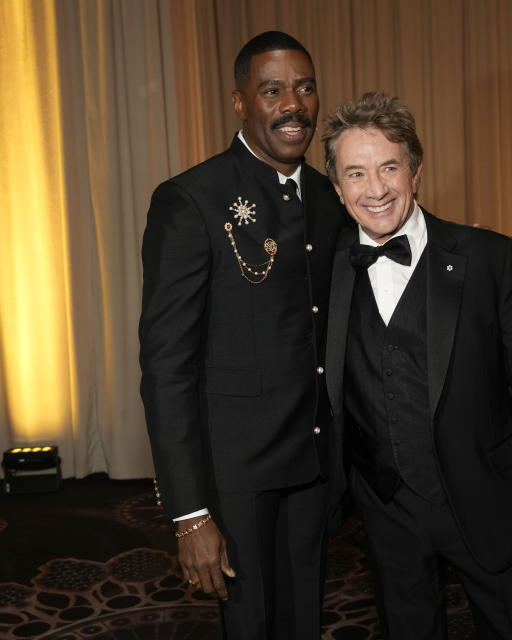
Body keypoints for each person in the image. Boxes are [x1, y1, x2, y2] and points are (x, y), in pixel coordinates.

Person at [322, 91, 512, 640]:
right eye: (356, 173)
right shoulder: (326, 270)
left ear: (415, 171)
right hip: (388, 506)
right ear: (338, 188)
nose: (376, 189)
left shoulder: (484, 256)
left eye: (389, 167)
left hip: (489, 495)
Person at [138, 31, 346, 639]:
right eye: (272, 89)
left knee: (305, 618)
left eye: (305, 88)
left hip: (314, 464)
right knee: (251, 626)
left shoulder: (331, 199)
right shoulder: (191, 200)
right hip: (236, 477)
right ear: (240, 103)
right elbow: (167, 368)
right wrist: (188, 512)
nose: (293, 105)